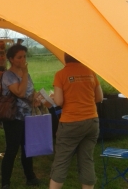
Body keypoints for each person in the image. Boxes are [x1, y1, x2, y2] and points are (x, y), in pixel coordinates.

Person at [49, 53, 103, 189]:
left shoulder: (61, 74)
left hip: (70, 122)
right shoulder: (91, 72)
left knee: (61, 161)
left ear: (65, 58)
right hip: (92, 121)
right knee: (87, 160)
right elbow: (99, 98)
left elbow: (59, 101)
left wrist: (54, 96)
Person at [0, 44, 39, 189]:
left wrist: (36, 98)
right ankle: (5, 182)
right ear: (11, 59)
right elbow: (20, 93)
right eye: (19, 57)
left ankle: (30, 177)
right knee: (12, 149)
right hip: (13, 117)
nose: (23, 60)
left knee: (28, 147)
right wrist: (24, 73)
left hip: (27, 116)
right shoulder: (8, 75)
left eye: (24, 56)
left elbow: (30, 91)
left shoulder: (26, 74)